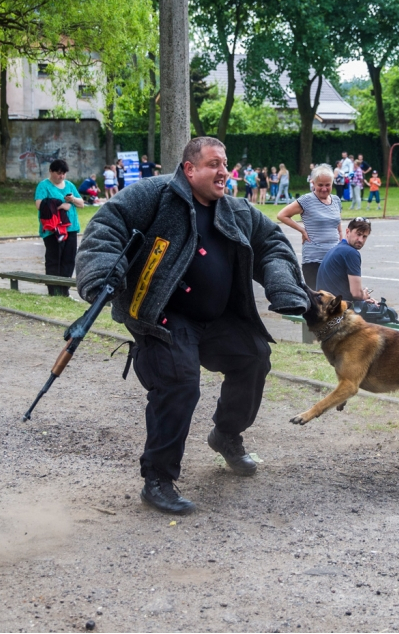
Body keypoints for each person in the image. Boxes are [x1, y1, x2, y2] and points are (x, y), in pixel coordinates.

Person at [75, 136, 309, 515]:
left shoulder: (236, 210)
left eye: (225, 164)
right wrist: (103, 273)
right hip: (162, 317)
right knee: (180, 382)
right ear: (189, 169)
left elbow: (272, 245)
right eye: (213, 164)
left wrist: (282, 285)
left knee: (254, 356)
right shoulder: (153, 195)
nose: (223, 172)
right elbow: (105, 228)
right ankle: (158, 480)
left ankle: (226, 435)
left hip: (216, 320)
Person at [277, 164, 343, 290]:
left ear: (332, 183)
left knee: (335, 297)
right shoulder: (307, 200)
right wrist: (302, 229)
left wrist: (341, 242)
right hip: (314, 258)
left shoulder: (336, 200)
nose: (324, 188)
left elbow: (338, 225)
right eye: (320, 185)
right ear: (313, 183)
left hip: (334, 257)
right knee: (317, 298)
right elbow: (282, 215)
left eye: (327, 185)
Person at [35, 159, 84, 296]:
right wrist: (61, 206)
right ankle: (54, 291)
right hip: (53, 230)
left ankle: (64, 290)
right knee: (54, 259)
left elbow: (81, 203)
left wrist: (72, 200)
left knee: (68, 259)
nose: (61, 176)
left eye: (64, 174)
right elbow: (40, 205)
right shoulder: (43, 186)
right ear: (51, 171)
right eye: (58, 173)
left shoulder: (69, 185)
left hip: (71, 228)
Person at [316, 217, 376, 304]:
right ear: (348, 232)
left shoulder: (337, 248)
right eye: (358, 234)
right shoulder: (351, 253)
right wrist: (364, 295)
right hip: (336, 309)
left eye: (364, 236)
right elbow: (356, 294)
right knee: (384, 311)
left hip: (323, 305)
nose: (361, 240)